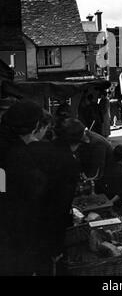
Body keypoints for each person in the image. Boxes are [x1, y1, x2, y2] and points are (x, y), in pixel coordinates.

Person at [0, 100, 50, 275]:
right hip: (16, 231)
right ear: (34, 125)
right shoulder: (18, 155)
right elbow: (33, 191)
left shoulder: (7, 147)